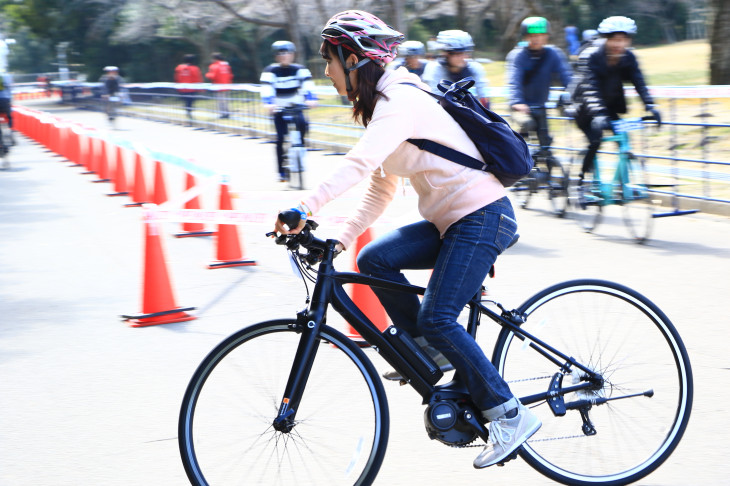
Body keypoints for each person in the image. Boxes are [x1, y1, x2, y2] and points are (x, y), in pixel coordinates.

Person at [273, 9, 541, 469]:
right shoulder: (382, 107)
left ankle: (509, 414)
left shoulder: (400, 98)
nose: (325, 69)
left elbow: (358, 164)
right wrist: (340, 238)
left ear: (354, 58)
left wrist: (305, 206)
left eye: (328, 59)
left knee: (439, 316)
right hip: (451, 223)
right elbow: (379, 186)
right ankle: (429, 352)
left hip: (481, 218)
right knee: (375, 259)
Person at [569, 16, 661, 180]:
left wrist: (650, 105)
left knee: (623, 140)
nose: (620, 44)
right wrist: (598, 113)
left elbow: (638, 81)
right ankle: (580, 179)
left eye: (624, 39)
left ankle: (622, 185)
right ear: (606, 38)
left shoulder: (628, 57)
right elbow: (590, 88)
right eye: (616, 40)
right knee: (596, 141)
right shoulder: (591, 56)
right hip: (584, 108)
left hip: (608, 108)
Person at [508, 17, 572, 152]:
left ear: (547, 37)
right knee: (527, 125)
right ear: (525, 37)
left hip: (540, 106)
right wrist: (517, 102)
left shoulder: (553, 54)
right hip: (521, 108)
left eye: (540, 35)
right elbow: (515, 80)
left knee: (546, 144)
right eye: (531, 36)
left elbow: (566, 76)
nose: (536, 39)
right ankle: (517, 149)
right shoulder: (518, 55)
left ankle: (547, 167)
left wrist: (574, 94)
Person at [260, 40, 318, 182]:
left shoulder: (300, 69)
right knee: (280, 138)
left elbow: (307, 84)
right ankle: (281, 171)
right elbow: (267, 88)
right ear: (275, 56)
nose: (284, 56)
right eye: (280, 53)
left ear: (292, 54)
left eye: (287, 53)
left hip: (296, 106)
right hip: (278, 108)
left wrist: (311, 98)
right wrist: (268, 103)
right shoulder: (270, 71)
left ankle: (301, 150)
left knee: (304, 125)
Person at [422, 29, 489, 108]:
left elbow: (483, 96)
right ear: (446, 54)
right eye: (458, 53)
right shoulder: (434, 68)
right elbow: (435, 100)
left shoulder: (475, 67)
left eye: (466, 53)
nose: (464, 57)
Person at [174, 54, 203, 125]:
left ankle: (188, 111)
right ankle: (189, 112)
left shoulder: (179, 67)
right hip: (191, 88)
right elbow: (197, 78)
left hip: (182, 88)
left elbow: (176, 77)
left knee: (186, 101)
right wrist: (199, 87)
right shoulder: (195, 68)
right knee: (190, 101)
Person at [205, 52, 233, 118]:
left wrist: (207, 75)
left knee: (220, 101)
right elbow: (231, 75)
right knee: (226, 100)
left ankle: (223, 114)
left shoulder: (214, 66)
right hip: (227, 85)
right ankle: (227, 113)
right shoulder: (226, 65)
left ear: (214, 59)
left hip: (218, 86)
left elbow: (212, 76)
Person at [0, 70, 12, 166]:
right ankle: (11, 132)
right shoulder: (4, 75)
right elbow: (9, 90)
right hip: (4, 101)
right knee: (9, 118)